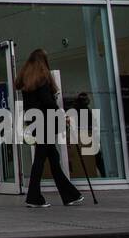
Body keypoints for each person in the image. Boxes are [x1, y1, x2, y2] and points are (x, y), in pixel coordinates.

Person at [16, 48, 83, 208]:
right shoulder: (43, 77)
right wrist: (61, 114)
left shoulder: (26, 78)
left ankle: (69, 195)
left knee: (52, 158)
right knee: (42, 159)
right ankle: (35, 197)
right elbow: (47, 101)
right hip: (46, 121)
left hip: (34, 120)